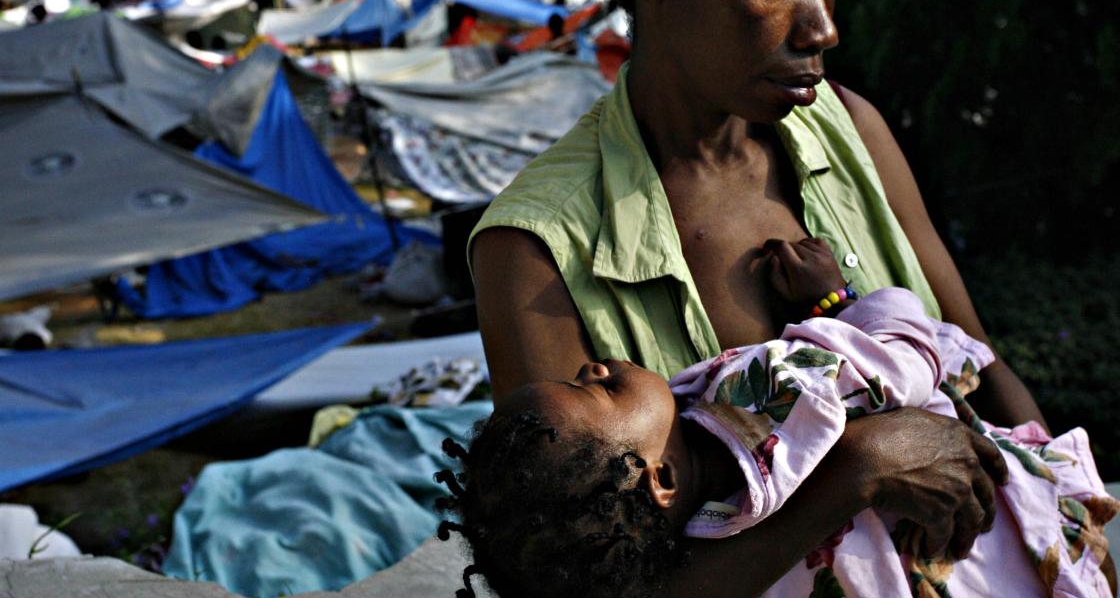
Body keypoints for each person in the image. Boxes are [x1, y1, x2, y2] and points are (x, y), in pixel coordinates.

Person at [467, 0, 1053, 593]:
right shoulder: (537, 250)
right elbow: (583, 581)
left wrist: (1061, 527)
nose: (822, 29)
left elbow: (984, 368)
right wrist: (856, 469)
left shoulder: (849, 130)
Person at [438, 238, 1118, 598]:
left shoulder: (704, 555)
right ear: (662, 479)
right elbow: (899, 362)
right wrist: (839, 303)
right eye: (594, 392)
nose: (588, 367)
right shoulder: (755, 400)